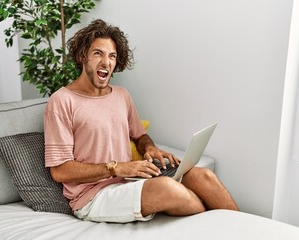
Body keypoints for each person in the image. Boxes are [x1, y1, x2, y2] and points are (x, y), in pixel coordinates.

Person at [44, 19, 239, 223]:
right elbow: (59, 170)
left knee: (203, 176)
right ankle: (222, 227)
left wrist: (149, 148)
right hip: (93, 196)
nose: (106, 62)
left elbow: (139, 135)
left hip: (129, 181)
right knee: (169, 188)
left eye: (112, 56)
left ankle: (248, 231)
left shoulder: (121, 95)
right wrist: (116, 167)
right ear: (83, 55)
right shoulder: (61, 101)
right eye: (98, 53)